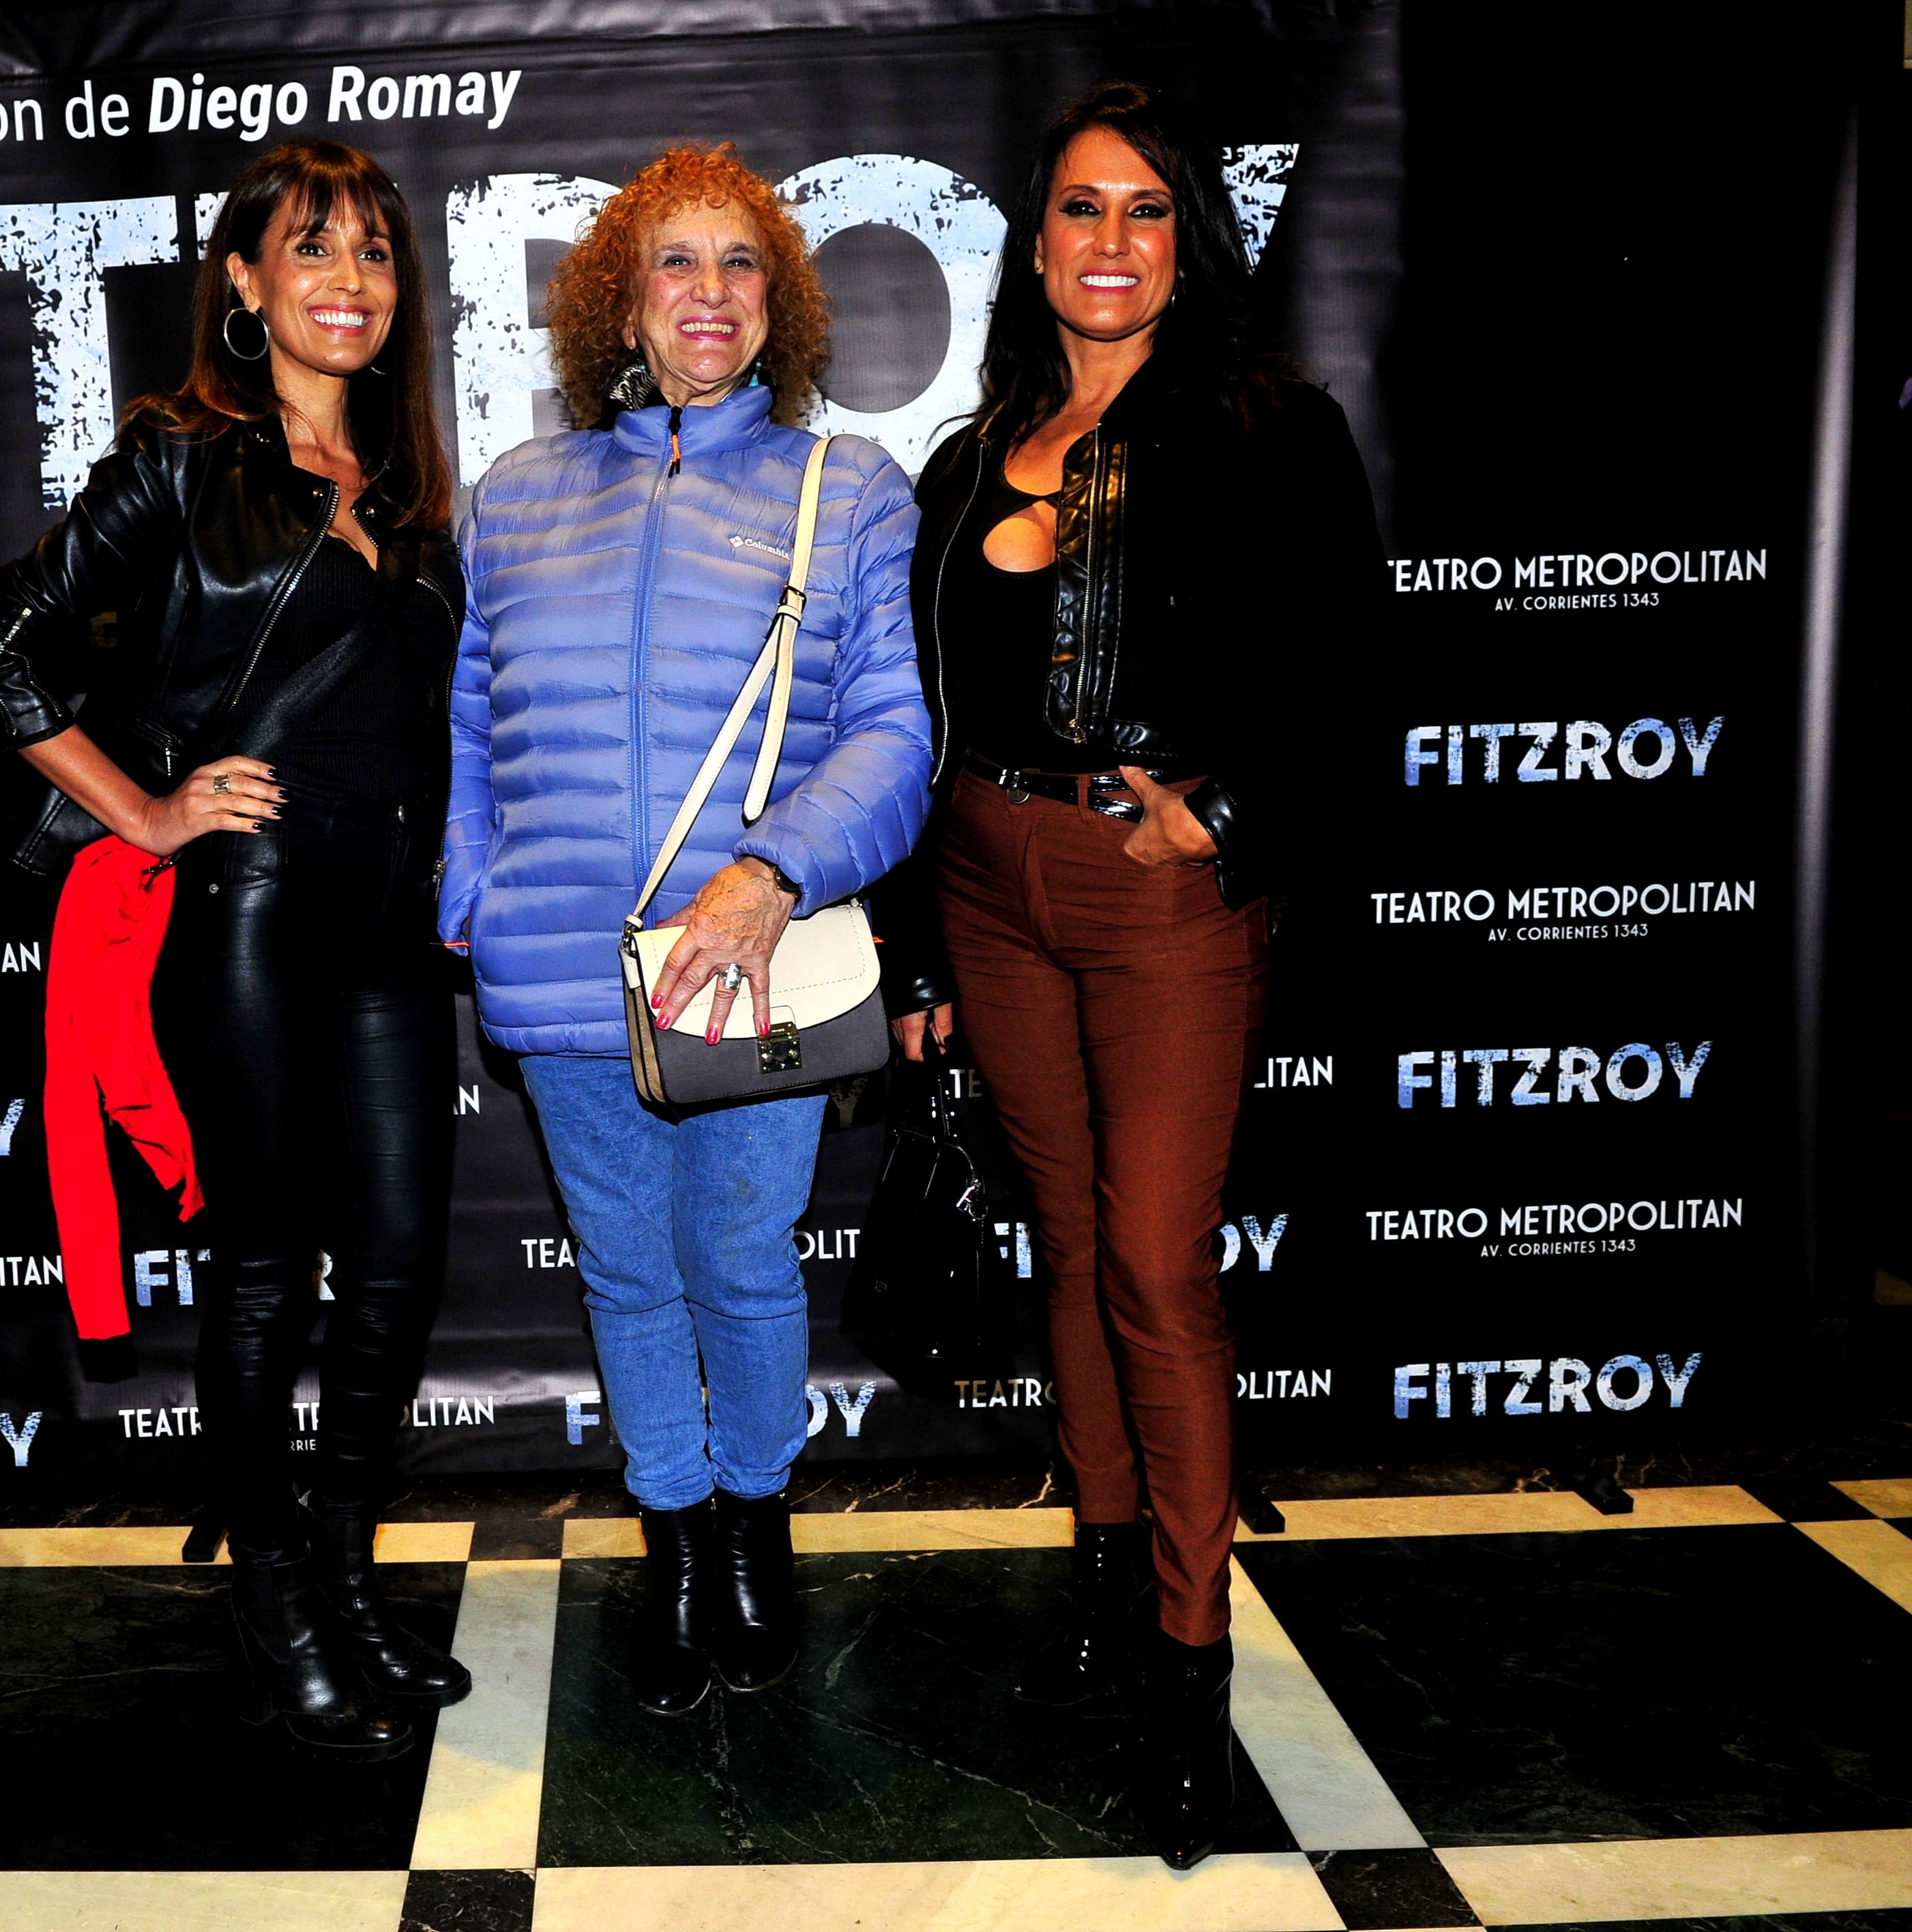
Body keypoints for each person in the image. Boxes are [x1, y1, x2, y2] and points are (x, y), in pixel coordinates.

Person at [877, 81, 1382, 1867]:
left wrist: (1220, 811)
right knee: (1074, 1247)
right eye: (1081, 209)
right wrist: (924, 930)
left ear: (1189, 240)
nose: (1109, 242)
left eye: (1144, 211)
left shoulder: (1266, 427)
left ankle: (1186, 1667)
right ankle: (1102, 1580)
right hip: (985, 877)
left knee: (1160, 1267)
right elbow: (930, 703)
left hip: (1155, 890)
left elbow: (1346, 681)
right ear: (1033, 242)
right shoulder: (970, 448)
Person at [0, 141, 469, 1758]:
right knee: (267, 1272)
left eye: (374, 255)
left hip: (394, 926)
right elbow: (11, 654)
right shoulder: (184, 460)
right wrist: (149, 811)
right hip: (249, 908)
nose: (347, 281)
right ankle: (272, 1607)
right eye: (308, 250)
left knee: (391, 1271)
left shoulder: (404, 487)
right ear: (242, 283)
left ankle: (342, 1577)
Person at [441, 145, 931, 1716]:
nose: (706, 293)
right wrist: (470, 891)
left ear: (775, 301)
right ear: (618, 303)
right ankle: (671, 1550)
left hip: (748, 965)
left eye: (738, 265)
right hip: (567, 962)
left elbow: (892, 732)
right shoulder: (516, 497)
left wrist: (768, 873)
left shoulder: (841, 488)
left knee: (735, 1258)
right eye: (674, 262)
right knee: (628, 1275)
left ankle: (753, 1542)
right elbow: (463, 722)